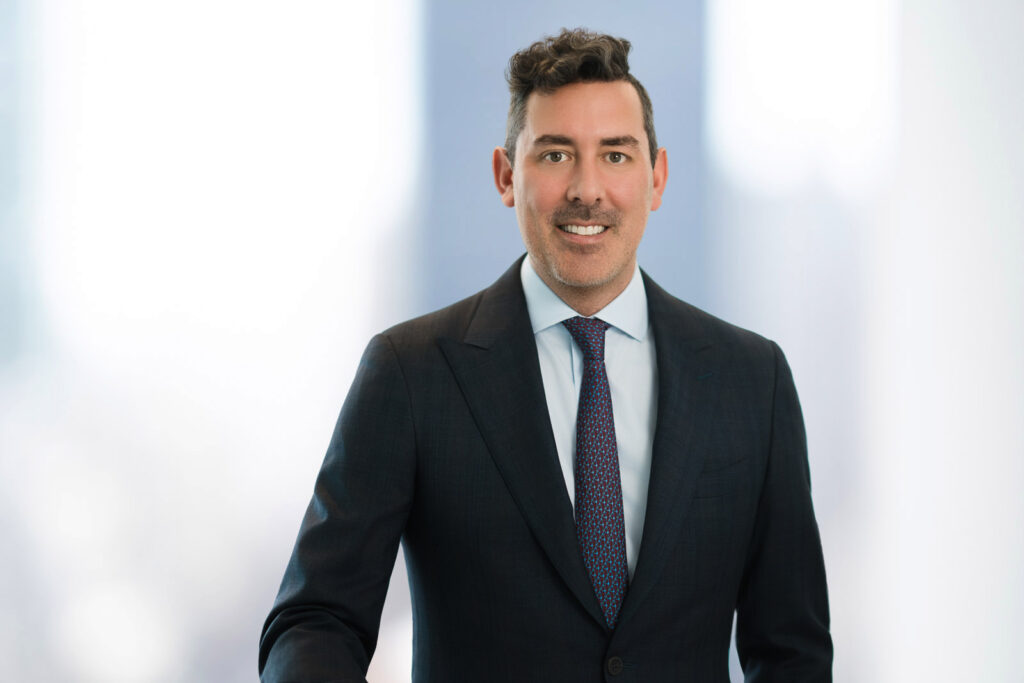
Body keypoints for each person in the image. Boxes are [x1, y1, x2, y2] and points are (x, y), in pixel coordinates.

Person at [259, 28, 832, 682]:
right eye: (556, 154)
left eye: (616, 156)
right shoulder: (411, 373)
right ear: (507, 176)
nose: (587, 189)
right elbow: (315, 619)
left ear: (657, 177)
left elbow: (792, 651)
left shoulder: (752, 382)